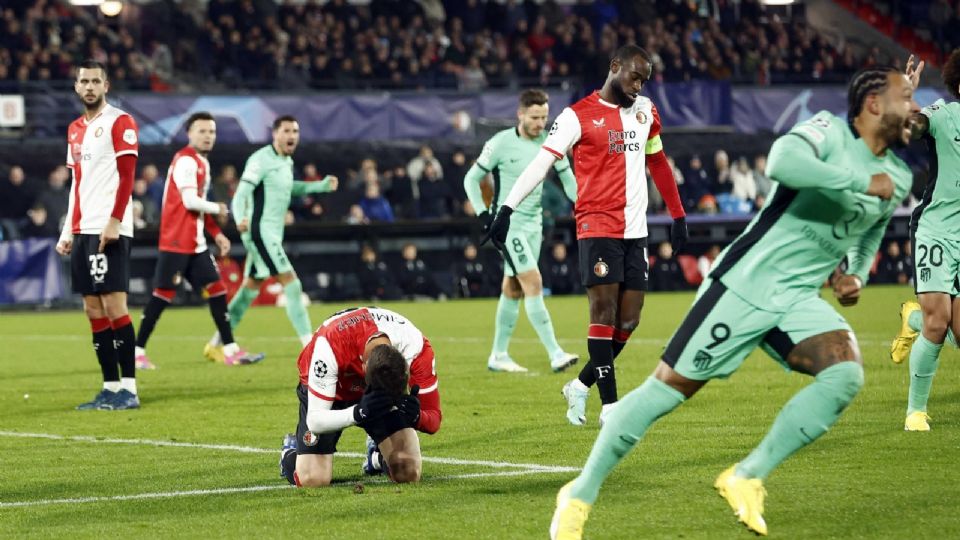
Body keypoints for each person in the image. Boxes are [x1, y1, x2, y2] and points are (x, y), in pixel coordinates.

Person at [548, 65, 917, 539]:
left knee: (845, 374)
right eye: (906, 96)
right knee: (665, 392)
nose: (914, 107)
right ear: (873, 103)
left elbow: (874, 228)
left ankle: (746, 475)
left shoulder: (899, 175)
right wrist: (859, 181)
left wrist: (855, 274)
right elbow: (782, 163)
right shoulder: (827, 131)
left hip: (797, 297)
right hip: (744, 284)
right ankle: (578, 495)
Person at [486, 45, 689, 424]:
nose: (638, 85)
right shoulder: (576, 116)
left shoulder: (646, 111)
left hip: (636, 229)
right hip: (597, 226)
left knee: (629, 321)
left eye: (644, 80)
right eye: (634, 76)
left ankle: (580, 385)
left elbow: (657, 160)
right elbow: (541, 164)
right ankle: (609, 407)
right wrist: (506, 209)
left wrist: (677, 215)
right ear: (615, 67)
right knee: (603, 312)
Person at [134, 112, 264, 369]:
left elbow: (198, 209)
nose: (207, 136)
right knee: (162, 297)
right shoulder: (185, 161)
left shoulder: (201, 163)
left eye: (211, 132)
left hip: (196, 244)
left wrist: (216, 234)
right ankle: (137, 351)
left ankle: (230, 349)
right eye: (202, 131)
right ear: (189, 134)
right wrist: (219, 208)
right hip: (176, 243)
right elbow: (190, 202)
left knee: (217, 291)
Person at [464, 88, 580, 373]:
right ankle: (555, 353)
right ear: (520, 114)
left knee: (513, 289)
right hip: (509, 226)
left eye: (544, 116)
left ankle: (498, 355)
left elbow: (567, 177)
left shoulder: (551, 142)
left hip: (534, 224)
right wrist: (482, 213)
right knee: (533, 282)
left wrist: (583, 204)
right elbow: (471, 179)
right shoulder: (501, 143)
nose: (541, 123)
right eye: (535, 117)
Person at [55, 60, 141, 411]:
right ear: (76, 87)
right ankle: (109, 386)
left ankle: (130, 389)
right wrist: (68, 230)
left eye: (95, 81)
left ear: (106, 85)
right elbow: (76, 183)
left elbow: (127, 176)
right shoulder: (75, 129)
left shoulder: (120, 122)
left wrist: (114, 221)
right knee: (92, 309)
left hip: (109, 227)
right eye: (83, 81)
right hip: (83, 227)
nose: (89, 87)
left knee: (114, 305)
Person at [212, 115, 338, 350]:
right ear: (275, 134)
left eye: (295, 131)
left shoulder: (285, 162)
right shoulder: (261, 160)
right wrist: (240, 218)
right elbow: (241, 194)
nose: (292, 136)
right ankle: (309, 345)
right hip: (260, 232)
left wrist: (319, 186)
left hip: (271, 234)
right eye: (287, 131)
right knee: (291, 283)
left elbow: (290, 188)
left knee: (248, 290)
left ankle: (217, 342)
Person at [279, 307, 442, 487]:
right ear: (362, 368)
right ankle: (291, 449)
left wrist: (417, 416)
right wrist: (358, 413)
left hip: (380, 398)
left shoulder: (416, 348)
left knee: (408, 472)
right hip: (333, 393)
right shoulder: (330, 346)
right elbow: (316, 421)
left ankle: (376, 457)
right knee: (313, 479)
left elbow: (433, 420)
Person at [889, 52, 960, 431]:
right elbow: (912, 127)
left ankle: (911, 316)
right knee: (938, 324)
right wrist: (905, 96)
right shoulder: (945, 115)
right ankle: (915, 411)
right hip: (936, 229)